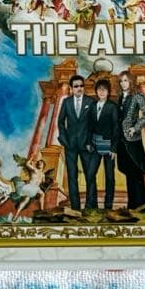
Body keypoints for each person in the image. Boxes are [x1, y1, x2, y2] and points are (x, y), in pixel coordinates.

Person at [56, 74, 96, 211]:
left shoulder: (91, 101)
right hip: (70, 145)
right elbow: (60, 122)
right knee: (72, 176)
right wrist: (64, 139)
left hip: (87, 144)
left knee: (90, 175)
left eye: (81, 86)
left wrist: (91, 142)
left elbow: (94, 123)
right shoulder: (66, 102)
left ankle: (90, 206)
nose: (79, 88)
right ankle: (75, 208)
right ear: (72, 88)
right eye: (76, 86)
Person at [117, 71, 145, 209]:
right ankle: (132, 205)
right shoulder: (120, 98)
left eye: (125, 80)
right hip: (122, 140)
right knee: (128, 171)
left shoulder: (138, 96)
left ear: (130, 81)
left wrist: (135, 128)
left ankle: (141, 203)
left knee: (136, 170)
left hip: (133, 139)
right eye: (121, 81)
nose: (123, 83)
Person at [85, 78, 119, 210]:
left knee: (109, 176)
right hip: (94, 144)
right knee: (90, 174)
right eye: (99, 89)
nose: (102, 92)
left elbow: (116, 128)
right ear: (96, 91)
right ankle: (91, 203)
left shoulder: (112, 107)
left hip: (109, 145)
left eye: (104, 89)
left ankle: (108, 205)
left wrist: (114, 148)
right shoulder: (93, 106)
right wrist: (88, 142)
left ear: (108, 92)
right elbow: (89, 126)